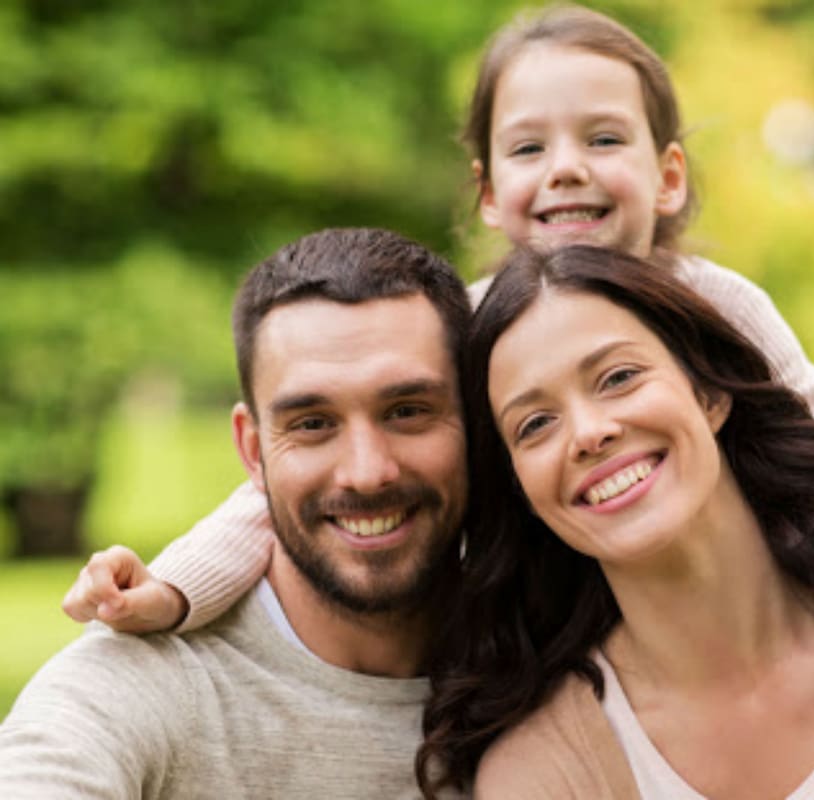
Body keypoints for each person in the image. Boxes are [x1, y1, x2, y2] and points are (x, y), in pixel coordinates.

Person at [63, 4, 814, 665]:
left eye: (603, 139)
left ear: (668, 175)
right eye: (530, 149)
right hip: (557, 646)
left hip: (739, 631)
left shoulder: (719, 305)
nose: (567, 167)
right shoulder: (469, 325)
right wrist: (177, 589)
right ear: (490, 191)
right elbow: (292, 480)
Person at [417, 245, 814, 799]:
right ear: (523, 491)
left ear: (710, 393)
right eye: (535, 424)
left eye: (618, 377)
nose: (588, 433)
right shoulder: (539, 771)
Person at [0, 228, 471, 799]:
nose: (366, 472)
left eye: (407, 410)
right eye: (313, 423)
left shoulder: (552, 662)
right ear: (252, 450)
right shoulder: (144, 686)